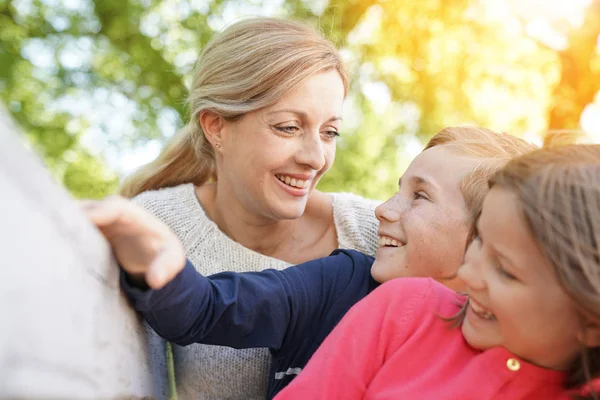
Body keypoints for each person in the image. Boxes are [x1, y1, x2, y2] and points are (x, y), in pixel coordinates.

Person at [84, 127, 536, 398]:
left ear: (487, 230)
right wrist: (160, 258)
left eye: (419, 196)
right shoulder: (341, 281)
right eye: (398, 188)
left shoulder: (528, 341)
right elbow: (211, 308)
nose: (383, 208)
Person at [119, 17, 380, 399]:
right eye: (289, 127)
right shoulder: (161, 225)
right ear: (216, 127)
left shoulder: (374, 234)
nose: (315, 157)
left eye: (330, 132)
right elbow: (138, 384)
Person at [274, 144, 600, 400]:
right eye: (479, 239)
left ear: (590, 321)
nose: (469, 275)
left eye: (504, 271)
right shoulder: (404, 310)